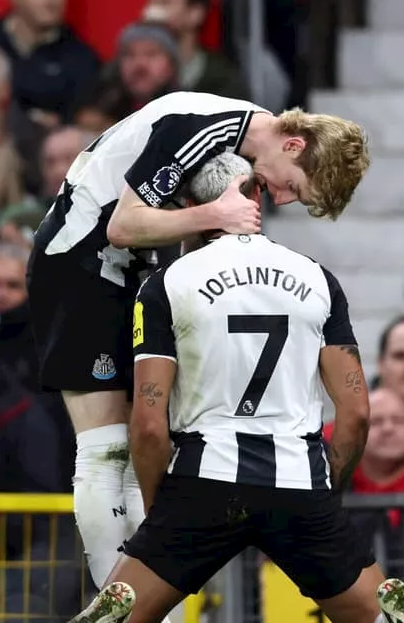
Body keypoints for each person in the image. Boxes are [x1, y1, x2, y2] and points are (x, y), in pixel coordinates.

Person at [27, 90, 370, 592]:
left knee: (134, 451)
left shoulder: (232, 135)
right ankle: (117, 601)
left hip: (129, 271)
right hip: (80, 264)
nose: (280, 198)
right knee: (104, 451)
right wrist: (216, 217)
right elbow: (123, 225)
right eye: (294, 187)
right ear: (293, 146)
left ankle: (142, 602)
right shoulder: (203, 125)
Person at [70, 153, 404, 623]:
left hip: (202, 483)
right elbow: (357, 412)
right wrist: (325, 491)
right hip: (299, 484)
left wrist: (165, 513)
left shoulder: (166, 285)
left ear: (185, 206)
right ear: (256, 193)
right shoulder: (318, 278)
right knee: (376, 616)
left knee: (118, 616)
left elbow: (147, 422)